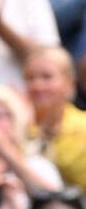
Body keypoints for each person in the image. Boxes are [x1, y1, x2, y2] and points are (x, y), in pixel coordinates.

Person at [24, 46, 86, 191]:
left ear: (69, 84)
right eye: (30, 78)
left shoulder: (83, 127)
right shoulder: (19, 127)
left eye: (47, 77)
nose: (37, 86)